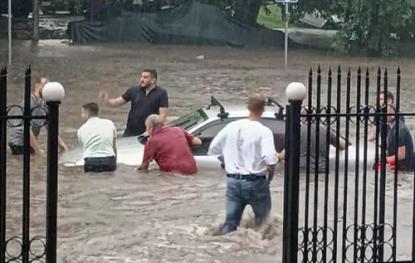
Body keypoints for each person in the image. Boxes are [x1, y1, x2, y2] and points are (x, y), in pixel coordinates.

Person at [207, 94, 278, 235]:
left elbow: (213, 149)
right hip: (256, 182)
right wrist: (271, 172)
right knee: (263, 225)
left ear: (248, 107)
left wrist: (228, 160)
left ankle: (224, 248)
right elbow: (270, 158)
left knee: (230, 223)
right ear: (262, 110)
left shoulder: (230, 127)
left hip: (233, 181)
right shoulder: (264, 131)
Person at [99, 69, 168, 137]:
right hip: (130, 131)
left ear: (153, 80)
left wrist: (152, 129)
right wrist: (106, 100)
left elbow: (162, 116)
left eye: (145, 77)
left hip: (149, 133)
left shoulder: (161, 93)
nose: (142, 79)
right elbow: (117, 102)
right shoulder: (134, 90)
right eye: (141, 76)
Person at [8, 76, 67, 155]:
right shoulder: (30, 102)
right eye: (45, 86)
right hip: (19, 143)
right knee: (34, 161)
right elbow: (26, 130)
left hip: (28, 142)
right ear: (37, 86)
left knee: (36, 162)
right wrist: (39, 150)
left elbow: (49, 126)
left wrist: (61, 145)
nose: (48, 89)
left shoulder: (43, 103)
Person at [277, 108, 347, 173]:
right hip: (321, 169)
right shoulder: (324, 130)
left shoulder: (297, 132)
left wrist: (276, 155)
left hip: (302, 169)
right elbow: (343, 145)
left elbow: (284, 155)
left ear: (301, 118)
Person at [137, 114, 202, 175]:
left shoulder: (152, 141)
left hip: (173, 173)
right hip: (192, 169)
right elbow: (198, 142)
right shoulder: (178, 129)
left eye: (146, 127)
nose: (146, 130)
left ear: (150, 127)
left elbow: (144, 166)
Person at [77, 102, 117, 172]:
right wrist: (114, 163)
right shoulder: (109, 123)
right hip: (109, 160)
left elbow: (85, 148)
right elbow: (114, 147)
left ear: (87, 113)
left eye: (82, 113)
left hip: (91, 161)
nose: (81, 116)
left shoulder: (81, 129)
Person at [385, 105, 415, 171]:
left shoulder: (400, 130)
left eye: (385, 112)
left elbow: (401, 155)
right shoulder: (391, 127)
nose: (382, 115)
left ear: (393, 116)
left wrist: (385, 159)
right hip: (397, 165)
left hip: (405, 167)